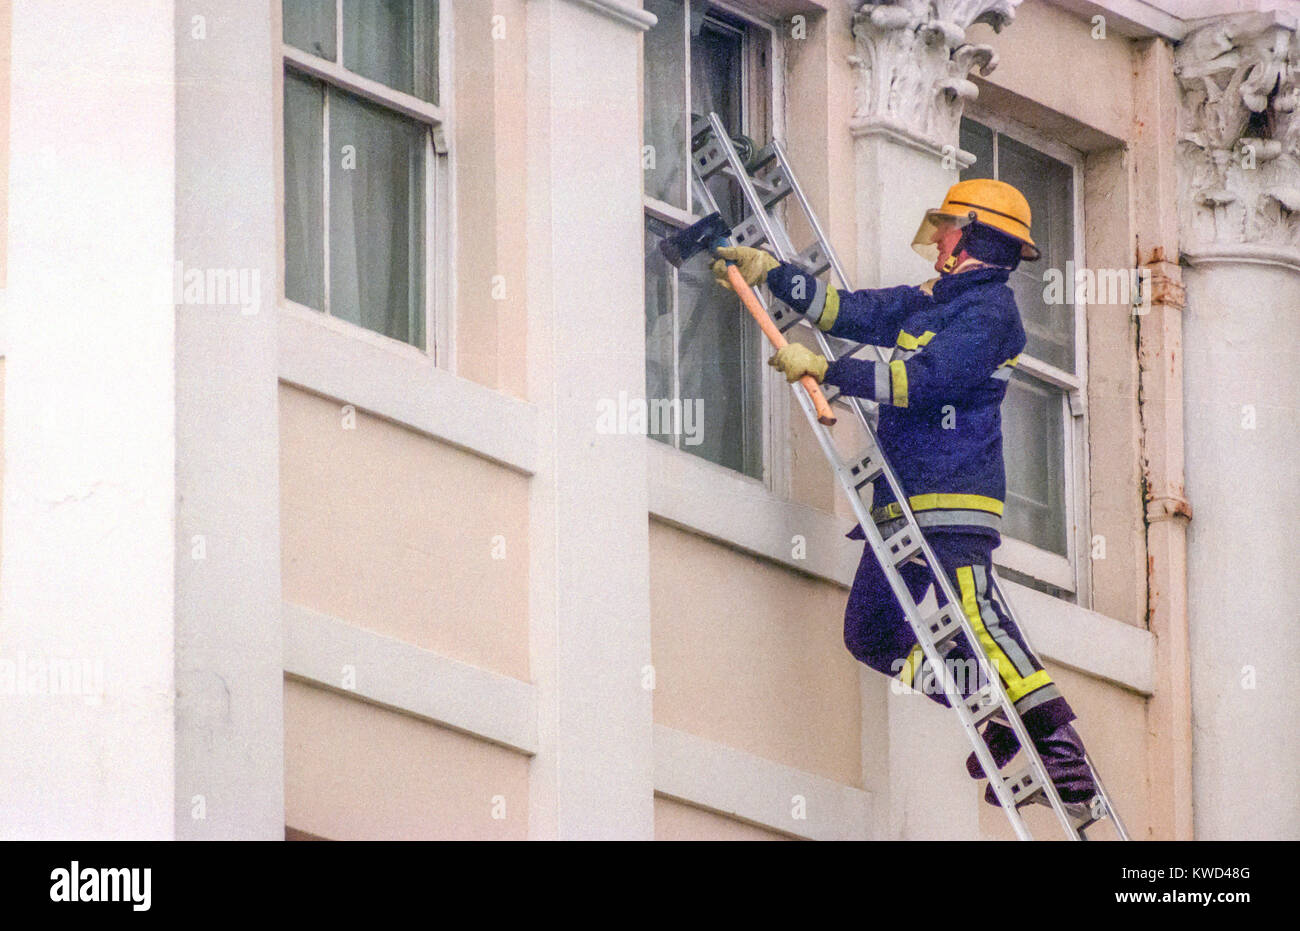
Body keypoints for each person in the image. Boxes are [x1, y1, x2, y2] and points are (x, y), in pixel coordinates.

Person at [710, 179, 1097, 807]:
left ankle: (1059, 749)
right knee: (873, 634)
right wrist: (769, 271)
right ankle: (991, 719)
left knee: (977, 616)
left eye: (947, 226)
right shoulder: (933, 300)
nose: (937, 236)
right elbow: (849, 310)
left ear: (972, 233)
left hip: (951, 499)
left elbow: (928, 381)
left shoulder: (991, 313)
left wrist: (828, 370)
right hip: (900, 504)